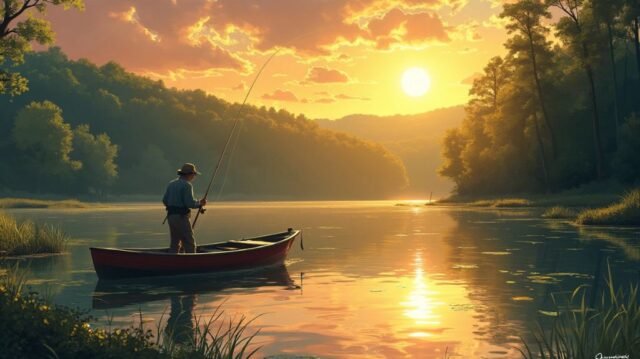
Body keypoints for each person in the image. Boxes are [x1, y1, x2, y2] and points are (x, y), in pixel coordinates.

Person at [162, 163, 207, 253]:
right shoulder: (187, 185)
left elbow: (164, 200)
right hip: (181, 218)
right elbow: (189, 203)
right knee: (189, 242)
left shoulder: (171, 184)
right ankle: (191, 262)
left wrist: (173, 206)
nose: (194, 177)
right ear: (189, 174)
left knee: (175, 241)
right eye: (194, 174)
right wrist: (200, 203)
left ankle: (173, 260)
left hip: (171, 217)